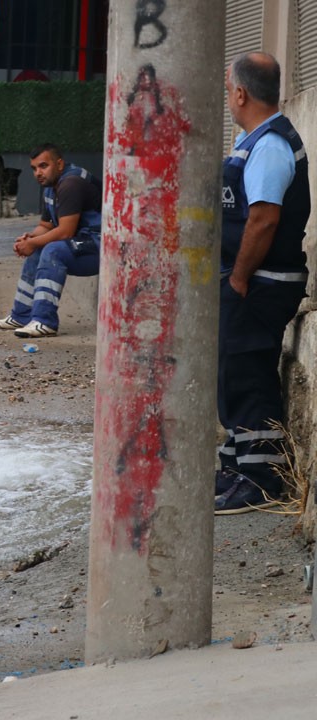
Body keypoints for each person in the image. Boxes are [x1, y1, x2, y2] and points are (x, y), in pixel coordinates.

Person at [214, 52, 310, 514]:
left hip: (261, 282)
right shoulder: (252, 140)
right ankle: (235, 465)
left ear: (240, 92)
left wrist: (237, 277)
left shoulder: (269, 145)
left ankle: (261, 478)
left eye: (228, 89)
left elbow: (264, 219)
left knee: (247, 370)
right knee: (232, 368)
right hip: (253, 279)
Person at [0, 144, 103, 338]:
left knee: (52, 250)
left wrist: (35, 243)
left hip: (102, 245)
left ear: (59, 164)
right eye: (34, 168)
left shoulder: (71, 184)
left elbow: (65, 232)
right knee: (38, 248)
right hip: (83, 242)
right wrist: (29, 239)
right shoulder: (51, 187)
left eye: (43, 166)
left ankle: (45, 321)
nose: (38, 173)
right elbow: (46, 226)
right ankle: (21, 315)